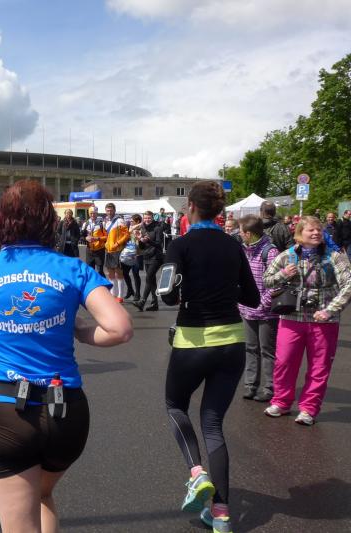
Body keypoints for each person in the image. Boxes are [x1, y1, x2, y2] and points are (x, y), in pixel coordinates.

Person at [0, 179, 133, 533]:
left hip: (9, 412)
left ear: (3, 220)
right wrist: (79, 329)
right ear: (49, 221)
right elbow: (120, 328)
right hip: (67, 411)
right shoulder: (72, 268)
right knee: (41, 494)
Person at [160, 181, 260, 533]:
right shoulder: (234, 246)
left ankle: (196, 473)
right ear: (219, 211)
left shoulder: (180, 244)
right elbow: (252, 298)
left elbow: (166, 295)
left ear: (190, 207)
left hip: (193, 341)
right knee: (213, 423)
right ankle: (221, 514)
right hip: (232, 342)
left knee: (175, 405)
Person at [262, 216, 351, 425]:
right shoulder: (287, 256)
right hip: (291, 318)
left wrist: (330, 310)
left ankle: (308, 409)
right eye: (311, 230)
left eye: (318, 229)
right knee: (284, 362)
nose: (316, 233)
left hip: (324, 321)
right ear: (299, 234)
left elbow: (348, 285)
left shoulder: (334, 257)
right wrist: (284, 274)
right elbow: (267, 280)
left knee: (319, 367)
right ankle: (281, 402)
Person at [237, 215, 280, 402]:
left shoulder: (270, 252)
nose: (239, 234)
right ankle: (250, 385)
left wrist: (263, 303)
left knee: (267, 350)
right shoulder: (243, 250)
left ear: (248, 233)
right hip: (247, 309)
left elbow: (277, 283)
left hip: (266, 311)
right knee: (250, 348)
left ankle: (269, 387)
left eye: (241, 231)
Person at [132, 211, 164, 312]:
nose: (147, 220)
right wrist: (140, 240)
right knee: (152, 280)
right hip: (146, 256)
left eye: (149, 218)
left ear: (152, 218)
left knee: (149, 277)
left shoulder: (157, 228)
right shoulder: (143, 228)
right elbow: (142, 246)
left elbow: (159, 244)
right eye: (145, 218)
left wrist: (148, 240)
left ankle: (142, 301)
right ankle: (155, 304)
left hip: (156, 256)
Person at [103, 202, 130, 302]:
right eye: (107, 210)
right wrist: (106, 243)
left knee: (119, 273)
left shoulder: (120, 220)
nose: (109, 212)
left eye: (111, 210)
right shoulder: (106, 221)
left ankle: (120, 296)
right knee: (110, 273)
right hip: (108, 250)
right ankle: (113, 294)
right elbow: (106, 236)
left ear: (114, 210)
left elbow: (126, 235)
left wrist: (118, 243)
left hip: (117, 250)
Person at [123, 214, 143, 302]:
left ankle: (138, 294)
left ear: (137, 221)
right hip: (128, 254)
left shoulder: (141, 229)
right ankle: (130, 289)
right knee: (125, 273)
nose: (130, 222)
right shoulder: (129, 228)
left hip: (136, 255)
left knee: (135, 274)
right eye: (130, 221)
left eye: (132, 221)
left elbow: (138, 242)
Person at [82, 207, 106, 276]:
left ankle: (101, 283)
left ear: (97, 214)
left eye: (94, 213)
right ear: (89, 214)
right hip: (89, 251)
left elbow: (107, 237)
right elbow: (81, 237)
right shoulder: (85, 224)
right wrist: (86, 238)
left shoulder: (102, 224)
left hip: (99, 250)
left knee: (100, 272)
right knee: (90, 272)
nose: (92, 215)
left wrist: (97, 238)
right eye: (91, 213)